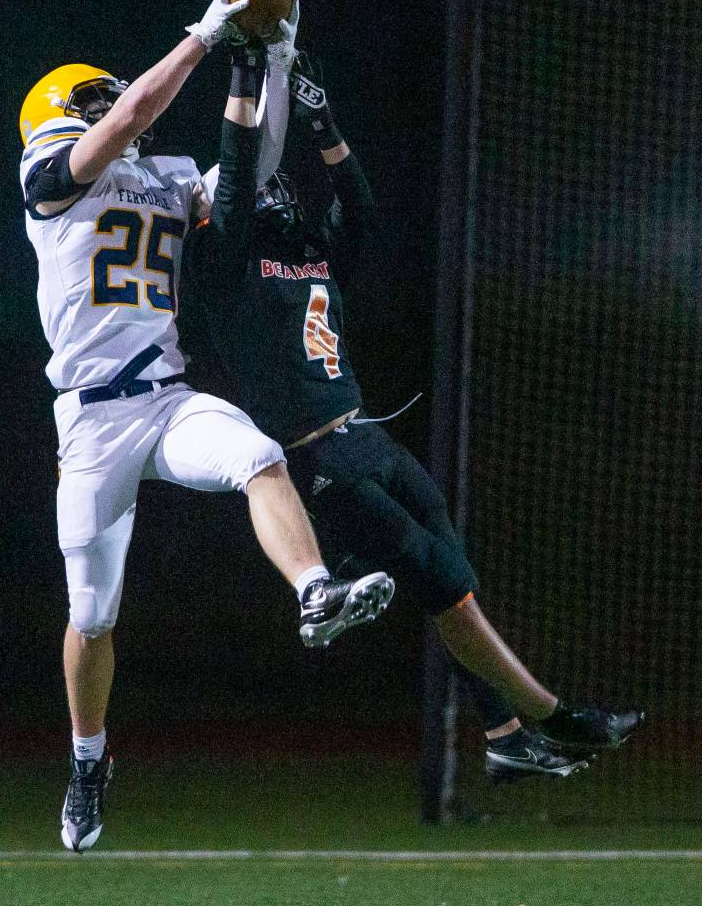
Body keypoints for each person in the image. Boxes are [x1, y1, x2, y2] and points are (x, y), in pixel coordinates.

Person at [179, 45, 644, 785]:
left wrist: (324, 125)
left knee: (452, 577)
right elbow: (236, 178)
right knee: (441, 578)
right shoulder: (221, 262)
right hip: (317, 458)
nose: (277, 192)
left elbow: (360, 208)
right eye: (259, 189)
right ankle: (553, 716)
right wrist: (245, 74)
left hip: (367, 434)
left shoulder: (307, 249)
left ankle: (503, 735)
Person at [17, 0, 395, 853]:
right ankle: (87, 760)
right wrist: (204, 33)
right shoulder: (46, 177)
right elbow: (126, 116)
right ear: (61, 112)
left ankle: (315, 593)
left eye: (111, 96)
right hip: (91, 423)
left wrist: (274, 62)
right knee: (93, 615)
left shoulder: (168, 176)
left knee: (258, 456)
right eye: (96, 98)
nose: (116, 105)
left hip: (166, 396)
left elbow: (251, 167)